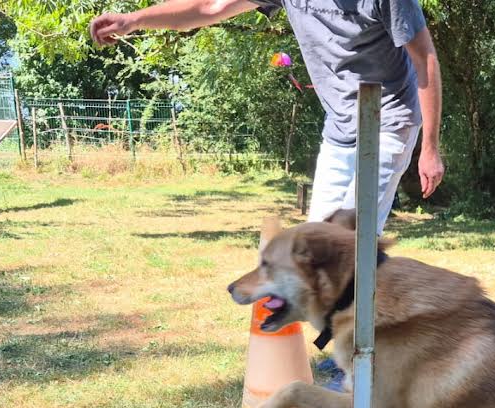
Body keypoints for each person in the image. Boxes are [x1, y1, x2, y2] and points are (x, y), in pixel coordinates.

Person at [90, 0, 445, 235]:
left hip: (389, 118)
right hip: (339, 124)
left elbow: (425, 58)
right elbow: (210, 7)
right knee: (316, 240)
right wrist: (133, 20)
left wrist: (429, 148)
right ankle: (346, 326)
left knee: (349, 239)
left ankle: (371, 327)